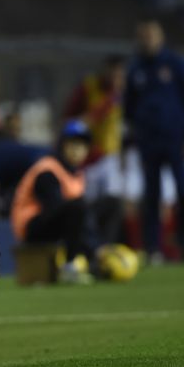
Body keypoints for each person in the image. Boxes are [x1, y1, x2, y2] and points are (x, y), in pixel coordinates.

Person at [124, 19, 184, 263]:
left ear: (161, 37)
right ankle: (153, 248)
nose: (147, 41)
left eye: (151, 36)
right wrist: (132, 138)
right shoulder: (136, 69)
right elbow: (128, 108)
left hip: (176, 140)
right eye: (143, 37)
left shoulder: (176, 65)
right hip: (148, 142)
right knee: (151, 196)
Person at [10, 120, 91, 283]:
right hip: (31, 227)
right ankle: (70, 266)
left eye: (82, 145)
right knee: (77, 208)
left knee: (104, 205)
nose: (77, 150)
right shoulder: (47, 170)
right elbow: (55, 207)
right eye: (73, 144)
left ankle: (96, 255)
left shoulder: (76, 173)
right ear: (62, 145)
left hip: (50, 221)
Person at [64, 55, 127, 247]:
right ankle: (87, 245)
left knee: (114, 201)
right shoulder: (89, 87)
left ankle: (106, 245)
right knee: (88, 204)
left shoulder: (124, 93)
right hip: (88, 157)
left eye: (119, 74)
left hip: (111, 157)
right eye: (113, 73)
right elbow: (73, 118)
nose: (116, 78)